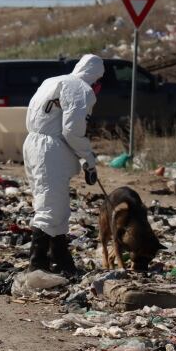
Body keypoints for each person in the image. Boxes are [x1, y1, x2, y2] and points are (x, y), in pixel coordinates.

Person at [23, 54, 104, 275]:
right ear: (96, 79)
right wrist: (88, 158)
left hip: (32, 142)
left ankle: (60, 260)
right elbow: (72, 131)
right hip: (51, 149)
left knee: (56, 207)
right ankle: (37, 265)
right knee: (50, 208)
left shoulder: (52, 80)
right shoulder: (82, 90)